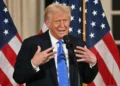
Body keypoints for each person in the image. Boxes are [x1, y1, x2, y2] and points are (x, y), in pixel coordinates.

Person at [13, 3, 98, 86]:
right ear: (48, 23)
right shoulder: (31, 44)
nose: (62, 25)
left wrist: (93, 63)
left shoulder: (78, 44)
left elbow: (87, 78)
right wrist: (33, 64)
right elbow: (18, 77)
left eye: (65, 21)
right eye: (57, 21)